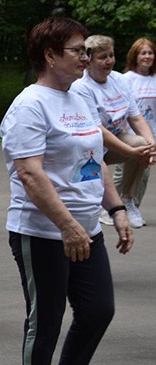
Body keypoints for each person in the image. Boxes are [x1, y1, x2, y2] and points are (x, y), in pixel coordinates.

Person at [0, 17, 134, 365]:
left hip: (85, 227)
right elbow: (29, 174)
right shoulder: (29, 106)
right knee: (47, 319)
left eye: (86, 50)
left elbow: (93, 159)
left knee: (98, 311)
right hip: (40, 232)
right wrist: (67, 226)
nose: (86, 58)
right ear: (50, 55)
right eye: (78, 50)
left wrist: (115, 209)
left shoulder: (79, 97)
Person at [70, 35, 155, 228]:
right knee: (85, 184)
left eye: (111, 55)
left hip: (114, 138)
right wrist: (129, 152)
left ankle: (127, 200)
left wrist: (152, 145)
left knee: (142, 145)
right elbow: (97, 130)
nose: (109, 61)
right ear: (88, 60)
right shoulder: (81, 87)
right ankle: (98, 208)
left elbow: (135, 117)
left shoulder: (119, 80)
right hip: (88, 144)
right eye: (103, 57)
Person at [116, 37, 156, 213]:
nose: (147, 56)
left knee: (144, 173)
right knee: (121, 172)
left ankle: (134, 208)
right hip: (129, 134)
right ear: (135, 56)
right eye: (143, 53)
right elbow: (120, 106)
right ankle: (114, 208)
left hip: (150, 134)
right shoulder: (126, 79)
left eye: (150, 53)